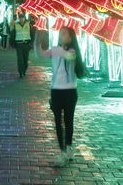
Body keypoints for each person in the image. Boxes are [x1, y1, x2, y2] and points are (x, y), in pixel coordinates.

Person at [35, 27, 85, 166]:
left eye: (64, 34)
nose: (61, 35)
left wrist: (56, 50)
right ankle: (62, 151)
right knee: (58, 121)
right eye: (60, 33)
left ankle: (69, 147)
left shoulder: (72, 51)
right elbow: (41, 54)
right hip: (56, 90)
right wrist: (37, 41)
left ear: (70, 38)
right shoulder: (56, 50)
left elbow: (68, 56)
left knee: (68, 121)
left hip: (70, 91)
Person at [12, 13, 32, 78]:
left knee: (25, 60)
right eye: (20, 18)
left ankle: (24, 71)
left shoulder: (29, 24)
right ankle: (21, 73)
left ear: (24, 18)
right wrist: (13, 44)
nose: (21, 19)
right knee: (20, 60)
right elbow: (12, 35)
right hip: (19, 44)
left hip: (26, 44)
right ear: (19, 18)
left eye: (22, 17)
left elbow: (32, 34)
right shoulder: (16, 25)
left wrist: (31, 43)